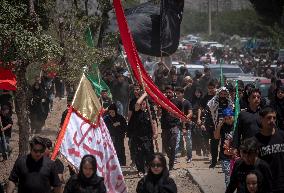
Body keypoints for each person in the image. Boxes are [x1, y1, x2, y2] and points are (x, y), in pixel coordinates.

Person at [254, 106, 284, 193]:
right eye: (269, 118)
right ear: (261, 119)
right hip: (266, 185)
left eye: (274, 118)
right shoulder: (255, 140)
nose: (272, 120)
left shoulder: (282, 135)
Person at [206, 86, 233, 168]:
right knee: (214, 144)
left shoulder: (229, 103)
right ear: (218, 93)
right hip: (214, 125)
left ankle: (222, 160)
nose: (223, 95)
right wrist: (210, 125)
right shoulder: (212, 103)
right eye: (221, 93)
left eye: (225, 94)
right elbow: (209, 115)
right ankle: (214, 161)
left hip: (225, 126)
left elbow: (230, 114)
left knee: (224, 144)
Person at [131, 92, 158, 177]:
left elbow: (154, 122)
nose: (142, 105)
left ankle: (150, 169)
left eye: (144, 104)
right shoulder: (136, 111)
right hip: (138, 137)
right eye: (142, 104)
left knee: (149, 153)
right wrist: (144, 95)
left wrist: (156, 132)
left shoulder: (150, 112)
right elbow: (137, 103)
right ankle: (140, 170)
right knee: (139, 154)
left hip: (148, 136)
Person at [161, 85, 181, 170]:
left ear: (173, 92)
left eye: (170, 92)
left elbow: (181, 114)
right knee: (165, 146)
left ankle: (171, 165)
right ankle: (171, 157)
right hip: (165, 127)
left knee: (172, 146)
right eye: (167, 92)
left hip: (174, 126)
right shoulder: (163, 101)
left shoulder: (177, 102)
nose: (168, 93)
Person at [214, 107, 234, 187]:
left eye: (230, 117)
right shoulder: (223, 126)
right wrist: (219, 125)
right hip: (225, 155)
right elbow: (216, 137)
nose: (228, 120)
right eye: (226, 118)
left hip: (235, 155)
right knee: (228, 176)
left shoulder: (236, 125)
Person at [175, 87, 193, 163]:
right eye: (177, 93)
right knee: (176, 140)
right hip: (177, 125)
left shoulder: (187, 102)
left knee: (188, 142)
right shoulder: (174, 102)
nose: (178, 95)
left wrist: (184, 118)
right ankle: (174, 157)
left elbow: (190, 113)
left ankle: (189, 156)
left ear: (183, 94)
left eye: (179, 93)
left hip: (187, 125)